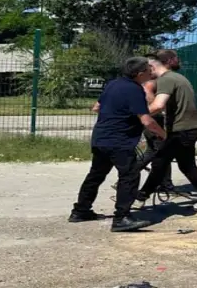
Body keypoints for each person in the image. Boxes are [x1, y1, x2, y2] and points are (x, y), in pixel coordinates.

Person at [68, 57, 167, 232]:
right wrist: (163, 135)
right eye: (148, 70)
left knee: (96, 175)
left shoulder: (113, 84)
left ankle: (80, 211)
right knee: (129, 176)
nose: (151, 72)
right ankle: (122, 218)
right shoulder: (134, 90)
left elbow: (96, 107)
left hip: (101, 138)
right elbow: (146, 120)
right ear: (139, 73)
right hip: (119, 141)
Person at [134, 50, 197, 211]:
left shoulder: (166, 80)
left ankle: (140, 198)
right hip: (188, 128)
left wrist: (136, 116)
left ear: (152, 68)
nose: (146, 75)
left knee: (160, 163)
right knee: (187, 166)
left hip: (181, 130)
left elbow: (158, 105)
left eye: (146, 71)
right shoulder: (177, 78)